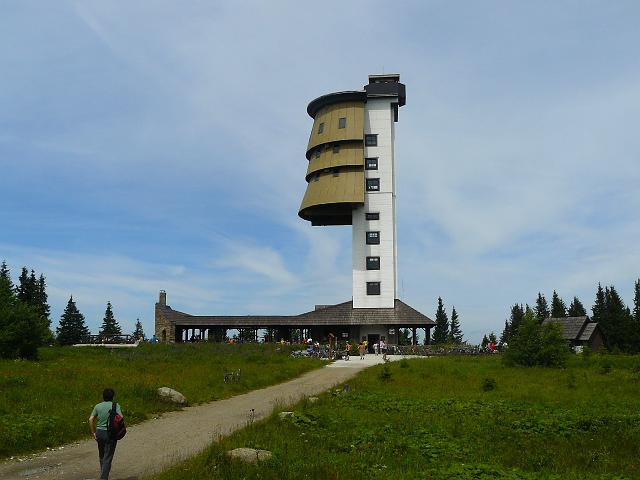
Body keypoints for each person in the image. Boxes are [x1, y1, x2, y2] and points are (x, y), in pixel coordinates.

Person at [89, 388, 123, 480]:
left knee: (102, 455)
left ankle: (103, 475)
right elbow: (120, 418)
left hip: (99, 432)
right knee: (108, 457)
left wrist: (93, 432)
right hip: (110, 433)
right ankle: (103, 478)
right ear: (113, 397)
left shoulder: (97, 406)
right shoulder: (115, 406)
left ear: (103, 396)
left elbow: (91, 419)